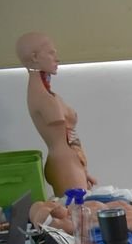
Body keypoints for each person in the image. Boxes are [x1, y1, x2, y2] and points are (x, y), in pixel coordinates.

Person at [16, 32, 97, 197]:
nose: (56, 58)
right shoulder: (42, 97)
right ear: (35, 57)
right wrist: (75, 169)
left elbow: (67, 137)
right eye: (51, 53)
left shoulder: (47, 94)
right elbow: (63, 137)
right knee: (78, 216)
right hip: (64, 164)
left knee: (80, 213)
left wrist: (82, 169)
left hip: (69, 162)